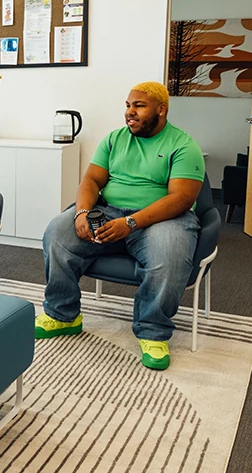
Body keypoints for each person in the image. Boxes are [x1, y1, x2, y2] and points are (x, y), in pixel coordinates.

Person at [36, 82, 205, 370]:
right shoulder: (114, 139)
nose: (130, 112)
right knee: (57, 233)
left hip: (162, 217)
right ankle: (63, 315)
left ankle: (153, 332)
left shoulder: (183, 145)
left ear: (161, 109)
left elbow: (181, 198)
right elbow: (90, 181)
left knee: (169, 256)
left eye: (138, 106)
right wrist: (82, 213)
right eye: (128, 106)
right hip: (108, 210)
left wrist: (131, 222)